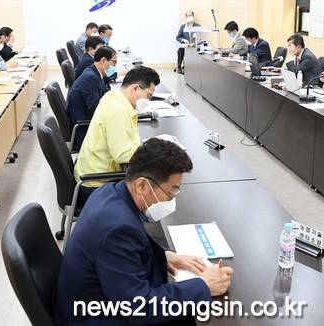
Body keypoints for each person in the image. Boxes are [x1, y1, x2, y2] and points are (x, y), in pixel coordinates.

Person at [54, 138, 234, 325]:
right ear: (142, 185)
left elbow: (122, 254)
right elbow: (141, 308)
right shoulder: (119, 230)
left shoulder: (109, 191)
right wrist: (204, 286)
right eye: (171, 193)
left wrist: (162, 256)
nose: (171, 200)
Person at [74, 66, 160, 202]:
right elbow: (122, 155)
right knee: (154, 186)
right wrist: (154, 153)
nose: (148, 100)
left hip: (91, 171)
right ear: (135, 88)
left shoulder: (113, 96)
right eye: (148, 95)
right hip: (95, 184)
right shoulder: (119, 110)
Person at [67, 46, 118, 149]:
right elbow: (96, 109)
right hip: (85, 128)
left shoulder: (94, 72)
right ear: (103, 60)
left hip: (88, 120)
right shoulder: (91, 78)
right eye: (114, 62)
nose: (115, 66)